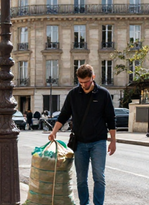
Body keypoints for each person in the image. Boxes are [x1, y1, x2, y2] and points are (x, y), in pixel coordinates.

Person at [48, 64, 116, 205]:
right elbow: (64, 115)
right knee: (81, 179)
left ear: (93, 77)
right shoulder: (73, 94)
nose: (84, 85)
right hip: (79, 143)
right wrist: (54, 132)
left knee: (99, 176)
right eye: (81, 82)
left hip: (98, 142)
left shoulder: (103, 94)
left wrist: (113, 141)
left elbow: (111, 119)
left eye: (86, 82)